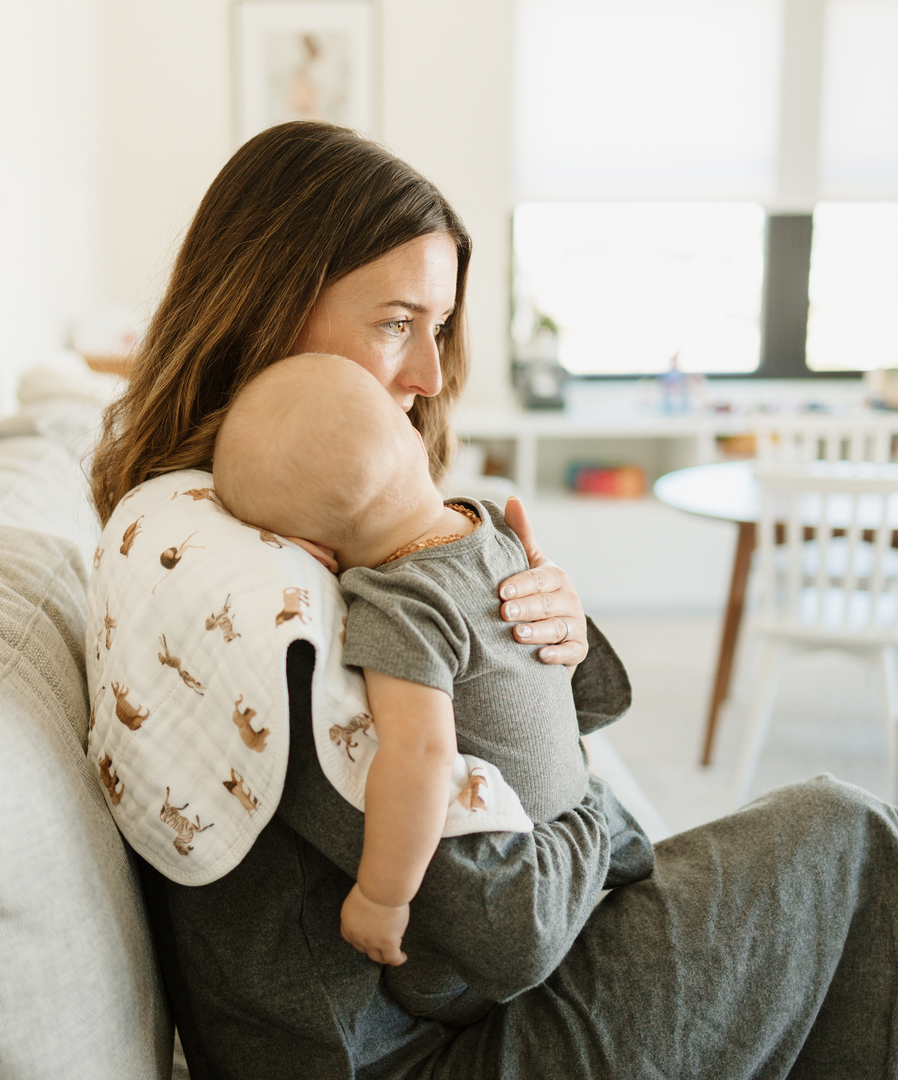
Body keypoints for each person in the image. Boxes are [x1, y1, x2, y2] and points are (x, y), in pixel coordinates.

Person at [91, 120, 898, 1079]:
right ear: (265, 308)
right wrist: (595, 811)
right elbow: (503, 916)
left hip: (456, 1014)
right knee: (846, 840)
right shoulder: (244, 590)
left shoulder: (267, 525)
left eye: (437, 327)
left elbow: (553, 722)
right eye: (396, 323)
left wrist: (531, 638)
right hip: (423, 1056)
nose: (430, 376)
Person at [212, 352, 650, 988]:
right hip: (585, 795)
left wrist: (382, 897)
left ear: (310, 551)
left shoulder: (398, 605)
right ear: (415, 440)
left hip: (533, 848)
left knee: (428, 981)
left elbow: (420, 754)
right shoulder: (489, 522)